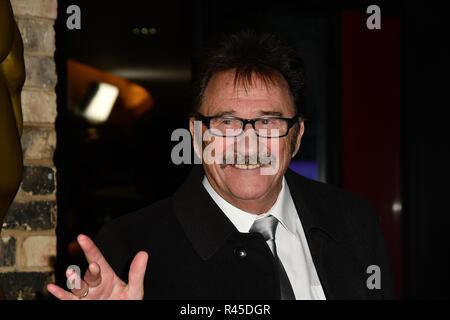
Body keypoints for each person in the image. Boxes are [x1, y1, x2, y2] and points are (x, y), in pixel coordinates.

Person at [47, 30, 395, 300]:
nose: (248, 145)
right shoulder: (128, 248)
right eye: (227, 123)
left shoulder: (353, 221)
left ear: (297, 135)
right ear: (197, 136)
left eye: (268, 123)